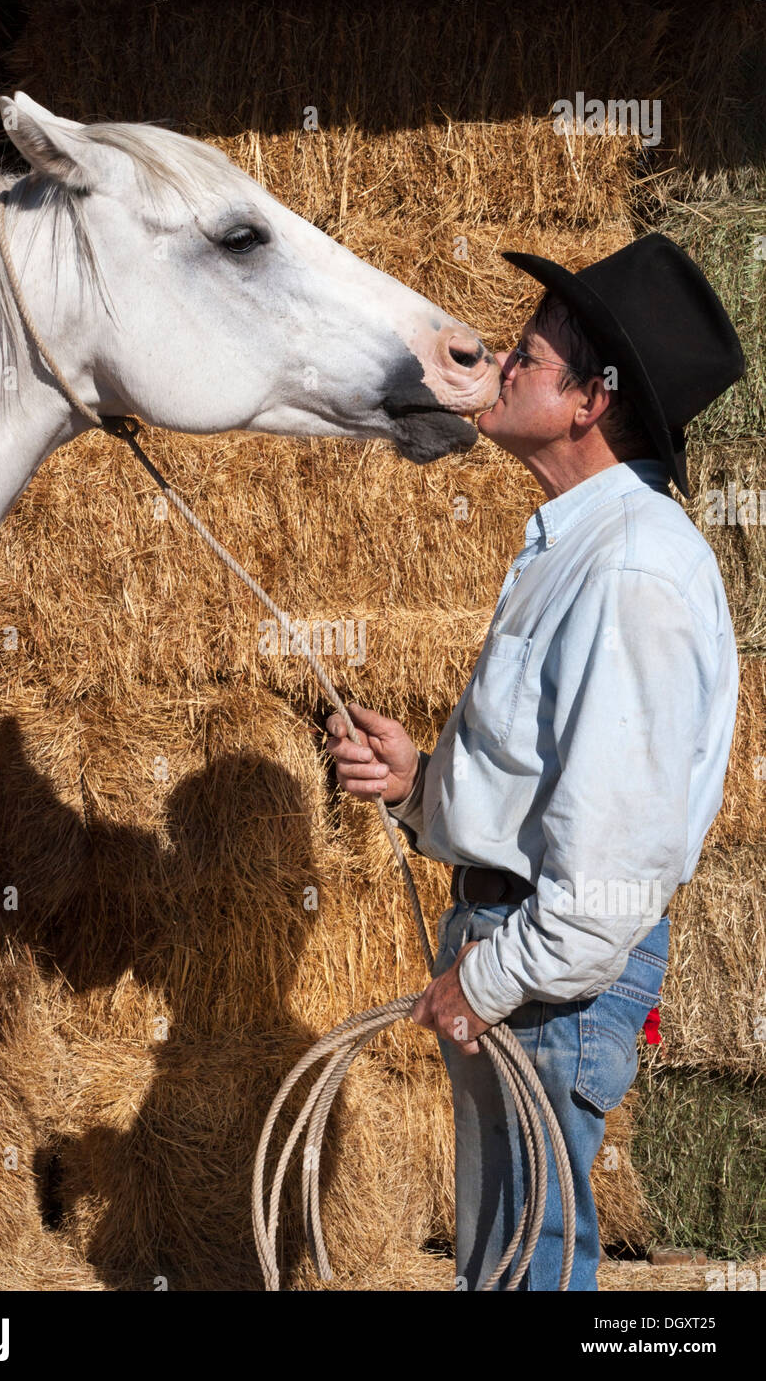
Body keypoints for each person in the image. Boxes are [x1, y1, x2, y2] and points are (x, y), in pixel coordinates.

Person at [325, 233, 745, 1291]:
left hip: (549, 981)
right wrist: (422, 783)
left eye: (523, 356)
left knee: (528, 1272)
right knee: (500, 1268)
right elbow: (553, 783)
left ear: (588, 401)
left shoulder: (633, 571)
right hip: (519, 961)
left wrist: (491, 978)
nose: (497, 367)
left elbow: (618, 862)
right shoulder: (581, 550)